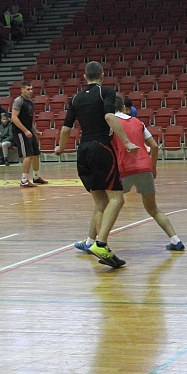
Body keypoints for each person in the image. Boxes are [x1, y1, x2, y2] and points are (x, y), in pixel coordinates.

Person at [55, 61, 139, 269]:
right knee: (117, 199)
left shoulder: (75, 99)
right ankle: (100, 244)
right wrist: (127, 142)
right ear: (102, 75)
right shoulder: (106, 92)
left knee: (100, 201)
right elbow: (109, 116)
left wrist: (60, 147)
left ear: (85, 77)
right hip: (101, 148)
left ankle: (100, 245)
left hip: (82, 151)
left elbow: (66, 128)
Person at [107, 94, 185, 250]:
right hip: (144, 167)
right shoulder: (138, 122)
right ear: (124, 107)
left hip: (124, 169)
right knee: (153, 209)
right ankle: (176, 240)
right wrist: (153, 168)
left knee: (107, 205)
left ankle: (95, 242)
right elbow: (155, 146)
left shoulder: (110, 124)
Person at [11, 81, 47, 187]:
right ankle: (24, 180)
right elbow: (14, 118)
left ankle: (36, 177)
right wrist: (25, 130)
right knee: (28, 155)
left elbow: (30, 120)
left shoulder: (30, 102)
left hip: (29, 131)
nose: (31, 91)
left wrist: (35, 131)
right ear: (22, 90)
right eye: (28, 89)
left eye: (31, 89)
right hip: (20, 132)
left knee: (36, 154)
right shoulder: (18, 101)